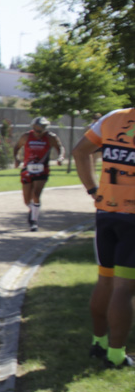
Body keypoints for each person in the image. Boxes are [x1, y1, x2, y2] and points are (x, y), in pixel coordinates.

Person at [72, 108, 135, 368]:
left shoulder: (113, 117)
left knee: (105, 280)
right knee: (125, 288)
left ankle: (99, 342)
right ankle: (116, 356)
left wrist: (92, 189)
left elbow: (79, 151)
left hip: (107, 211)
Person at [13, 116, 64, 231]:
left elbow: (60, 147)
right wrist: (16, 159)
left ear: (45, 129)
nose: (37, 133)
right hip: (27, 169)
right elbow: (17, 147)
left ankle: (34, 222)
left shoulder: (50, 137)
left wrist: (60, 157)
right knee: (26, 200)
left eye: (40, 130)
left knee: (36, 195)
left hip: (42, 169)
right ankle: (33, 209)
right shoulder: (26, 136)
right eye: (35, 129)